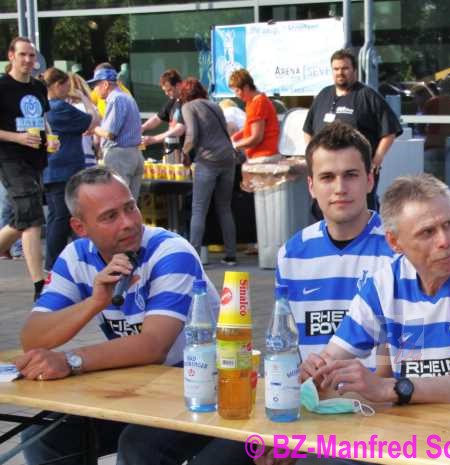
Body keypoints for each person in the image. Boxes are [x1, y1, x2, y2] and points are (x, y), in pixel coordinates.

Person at [119, 121, 395, 465]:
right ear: (311, 186)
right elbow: (288, 347)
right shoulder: (292, 252)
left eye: (350, 175)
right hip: (302, 405)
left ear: (370, 179)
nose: (340, 188)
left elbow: (395, 367)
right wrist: (281, 423)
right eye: (327, 177)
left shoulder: (397, 249)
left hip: (368, 414)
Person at [15, 165, 220, 465]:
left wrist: (71, 360)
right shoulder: (75, 257)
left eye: (130, 207)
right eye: (110, 216)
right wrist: (95, 302)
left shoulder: (171, 251)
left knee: (139, 446)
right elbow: (32, 338)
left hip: (202, 387)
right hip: (138, 386)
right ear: (80, 227)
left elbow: (153, 346)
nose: (128, 223)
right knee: (44, 435)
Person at [302, 173, 450, 413]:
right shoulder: (383, 284)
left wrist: (390, 388)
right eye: (427, 232)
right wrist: (317, 372)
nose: (445, 240)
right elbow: (330, 362)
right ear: (394, 242)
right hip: (424, 431)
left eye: (448, 224)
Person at [303, 49, 403, 211]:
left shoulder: (367, 96)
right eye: (336, 69)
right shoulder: (323, 95)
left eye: (345, 68)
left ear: (355, 70)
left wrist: (376, 159)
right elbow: (308, 130)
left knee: (360, 211)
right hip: (326, 170)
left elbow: (389, 131)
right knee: (324, 209)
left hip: (357, 170)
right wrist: (311, 158)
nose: (340, 73)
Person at [0, 37, 59, 300]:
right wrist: (18, 137)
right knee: (33, 217)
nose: (27, 60)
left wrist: (51, 138)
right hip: (9, 158)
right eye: (23, 54)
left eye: (31, 55)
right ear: (11, 56)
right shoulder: (2, 87)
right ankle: (39, 284)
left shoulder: (38, 86)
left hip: (36, 158)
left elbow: (42, 119)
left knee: (21, 218)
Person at [179, 77, 238, 266]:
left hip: (208, 160)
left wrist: (184, 152)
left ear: (185, 94)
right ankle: (231, 255)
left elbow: (192, 134)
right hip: (228, 158)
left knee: (198, 208)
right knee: (225, 207)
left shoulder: (188, 107)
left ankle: (194, 255)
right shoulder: (214, 105)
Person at [42, 67, 93, 271]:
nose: (68, 90)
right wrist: (84, 98)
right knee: (64, 217)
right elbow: (93, 120)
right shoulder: (61, 108)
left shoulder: (43, 108)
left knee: (56, 217)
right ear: (57, 85)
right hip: (67, 169)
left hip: (50, 169)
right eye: (66, 86)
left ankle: (54, 262)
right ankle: (55, 263)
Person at [89, 66, 144, 200]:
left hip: (120, 156)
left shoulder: (115, 99)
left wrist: (93, 129)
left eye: (96, 85)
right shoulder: (127, 97)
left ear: (105, 84)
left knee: (117, 200)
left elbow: (109, 133)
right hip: (135, 154)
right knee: (131, 203)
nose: (95, 89)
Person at [228, 68, 280, 162]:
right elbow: (251, 128)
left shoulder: (258, 103)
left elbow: (256, 138)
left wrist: (235, 145)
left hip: (263, 157)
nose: (236, 95)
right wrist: (235, 137)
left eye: (237, 91)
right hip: (261, 156)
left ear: (246, 87)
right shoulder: (253, 101)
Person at [422, 76, 450, 180]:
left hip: (432, 145)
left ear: (441, 87)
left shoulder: (432, 102)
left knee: (429, 180)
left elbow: (422, 124)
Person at [141, 69, 186, 161]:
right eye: (165, 91)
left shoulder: (186, 102)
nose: (166, 93)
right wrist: (142, 127)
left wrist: (153, 139)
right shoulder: (173, 100)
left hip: (189, 153)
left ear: (178, 85)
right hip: (176, 152)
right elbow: (157, 118)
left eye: (169, 90)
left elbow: (179, 129)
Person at [66, 72, 101, 167]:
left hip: (68, 159)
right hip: (89, 157)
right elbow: (97, 141)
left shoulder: (64, 109)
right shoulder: (92, 109)